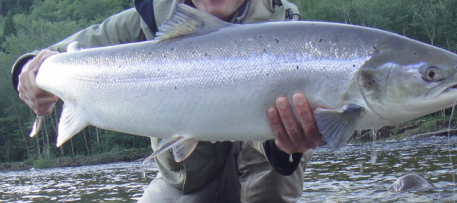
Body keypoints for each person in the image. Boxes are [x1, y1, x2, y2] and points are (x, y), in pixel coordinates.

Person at [11, 0, 323, 202]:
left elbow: (279, 154)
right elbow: (47, 61)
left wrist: (287, 149)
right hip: (185, 180)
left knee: (271, 170)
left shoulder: (285, 26)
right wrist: (28, 74)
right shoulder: (147, 17)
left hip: (265, 181)